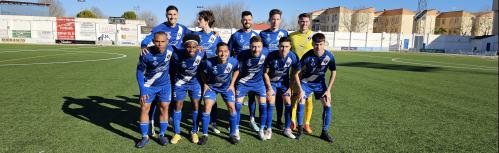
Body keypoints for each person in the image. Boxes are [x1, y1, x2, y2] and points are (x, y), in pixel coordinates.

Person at [140, 5, 192, 137]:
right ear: (166, 15)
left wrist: (212, 33)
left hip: (177, 66)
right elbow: (147, 39)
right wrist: (144, 46)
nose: (172, 17)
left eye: (174, 14)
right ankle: (151, 121)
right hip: (163, 66)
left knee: (172, 94)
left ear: (178, 15)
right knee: (155, 97)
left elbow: (194, 36)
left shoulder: (182, 28)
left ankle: (167, 117)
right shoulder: (159, 28)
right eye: (170, 14)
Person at [135, 32, 175, 148]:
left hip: (165, 85)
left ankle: (161, 134)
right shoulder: (146, 54)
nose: (160, 44)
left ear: (167, 41)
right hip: (149, 86)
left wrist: (199, 47)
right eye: (157, 41)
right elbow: (139, 72)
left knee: (164, 108)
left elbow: (186, 48)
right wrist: (142, 90)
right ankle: (144, 137)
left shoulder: (171, 50)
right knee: (144, 108)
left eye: (162, 42)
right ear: (153, 41)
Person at [295, 33, 336, 143]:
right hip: (306, 83)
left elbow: (334, 72)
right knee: (301, 100)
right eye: (316, 44)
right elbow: (296, 73)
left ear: (324, 44)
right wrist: (300, 89)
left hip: (320, 84)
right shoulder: (307, 56)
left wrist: (328, 90)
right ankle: (299, 130)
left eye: (321, 44)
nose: (318, 47)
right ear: (312, 44)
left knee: (327, 104)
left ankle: (324, 132)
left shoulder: (329, 56)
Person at [198, 42, 239, 145]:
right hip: (212, 88)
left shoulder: (233, 61)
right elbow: (201, 71)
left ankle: (233, 134)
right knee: (207, 107)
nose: (223, 54)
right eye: (220, 51)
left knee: (232, 107)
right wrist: (205, 84)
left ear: (228, 52)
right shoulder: (208, 62)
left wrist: (232, 84)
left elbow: (236, 71)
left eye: (225, 51)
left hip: (226, 88)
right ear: (216, 52)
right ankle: (205, 134)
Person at [232, 36, 270, 141]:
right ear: (250, 46)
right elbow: (232, 64)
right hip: (243, 83)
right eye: (253, 47)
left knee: (263, 106)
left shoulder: (266, 52)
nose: (256, 49)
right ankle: (236, 129)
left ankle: (261, 129)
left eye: (258, 47)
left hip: (258, 83)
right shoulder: (242, 54)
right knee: (237, 106)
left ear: (262, 47)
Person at [227, 11, 260, 132]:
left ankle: (252, 120)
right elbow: (228, 52)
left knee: (252, 97)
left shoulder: (256, 35)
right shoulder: (236, 35)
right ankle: (234, 121)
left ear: (252, 20)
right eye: (245, 19)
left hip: (252, 73)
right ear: (241, 21)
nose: (247, 21)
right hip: (239, 73)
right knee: (237, 98)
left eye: (249, 19)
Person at [263, 37, 300, 140]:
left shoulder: (293, 56)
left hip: (284, 84)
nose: (284, 49)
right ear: (278, 46)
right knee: (271, 102)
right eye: (282, 46)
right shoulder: (271, 56)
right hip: (272, 83)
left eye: (286, 46)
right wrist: (269, 88)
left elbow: (295, 72)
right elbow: (265, 73)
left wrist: (290, 87)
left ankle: (287, 129)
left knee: (288, 103)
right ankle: (269, 129)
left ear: (290, 47)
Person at [193, 10, 224, 134]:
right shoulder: (196, 35)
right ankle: (200, 121)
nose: (198, 21)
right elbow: (187, 45)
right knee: (199, 97)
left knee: (213, 99)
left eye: (200, 19)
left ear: (206, 21)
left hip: (212, 73)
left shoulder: (215, 36)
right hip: (198, 71)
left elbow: (223, 49)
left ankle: (214, 122)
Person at [170, 34, 205, 144]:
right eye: (188, 46)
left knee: (196, 105)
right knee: (178, 105)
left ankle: (194, 131)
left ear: (198, 47)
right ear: (184, 46)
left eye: (194, 47)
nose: (191, 49)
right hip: (180, 83)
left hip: (195, 83)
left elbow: (204, 67)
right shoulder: (177, 55)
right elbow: (172, 69)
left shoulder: (202, 53)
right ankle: (177, 133)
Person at [259, 9, 289, 130]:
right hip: (267, 69)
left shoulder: (285, 33)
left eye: (277, 19)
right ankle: (266, 121)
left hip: (281, 70)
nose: (275, 21)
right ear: (269, 20)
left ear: (280, 20)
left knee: (280, 99)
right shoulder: (262, 34)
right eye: (273, 19)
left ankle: (279, 121)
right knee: (269, 97)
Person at [289, 13, 315, 134]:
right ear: (298, 22)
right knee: (294, 97)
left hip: (308, 73)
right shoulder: (292, 36)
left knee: (308, 98)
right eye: (302, 21)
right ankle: (292, 121)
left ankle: (307, 124)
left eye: (306, 21)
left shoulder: (313, 36)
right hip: (295, 71)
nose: (304, 23)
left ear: (309, 22)